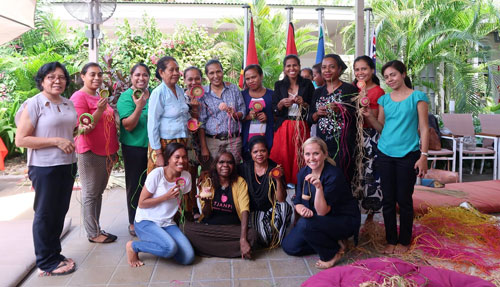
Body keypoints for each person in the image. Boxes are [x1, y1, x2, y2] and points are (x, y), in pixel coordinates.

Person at [15, 62, 80, 276]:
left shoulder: (68, 103)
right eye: (51, 77)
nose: (57, 81)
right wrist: (55, 141)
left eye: (61, 77)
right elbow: (21, 140)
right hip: (44, 167)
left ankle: (54, 254)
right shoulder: (33, 104)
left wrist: (79, 130)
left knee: (59, 211)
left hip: (68, 164)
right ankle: (45, 260)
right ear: (42, 81)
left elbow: (68, 130)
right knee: (45, 213)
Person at [363, 60, 429, 254]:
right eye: (386, 77)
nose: (390, 79)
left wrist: (423, 155)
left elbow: (424, 128)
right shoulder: (385, 99)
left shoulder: (418, 97)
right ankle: (391, 239)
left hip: (409, 154)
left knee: (404, 199)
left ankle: (404, 240)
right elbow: (381, 127)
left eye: (393, 75)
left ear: (403, 73)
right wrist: (369, 116)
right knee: (388, 199)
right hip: (385, 153)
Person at [282, 137, 360, 269]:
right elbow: (298, 200)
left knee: (305, 224)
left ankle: (332, 253)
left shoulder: (334, 175)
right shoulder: (303, 173)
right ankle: (334, 242)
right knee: (290, 247)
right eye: (307, 154)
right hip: (318, 221)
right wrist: (300, 208)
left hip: (342, 219)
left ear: (325, 154)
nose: (311, 158)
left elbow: (322, 211)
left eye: (316, 153)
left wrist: (319, 188)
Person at [71, 62, 119, 243]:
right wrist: (99, 110)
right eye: (92, 74)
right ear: (83, 76)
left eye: (100, 74)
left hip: (105, 152)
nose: (97, 78)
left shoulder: (99, 96)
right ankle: (93, 233)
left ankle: (97, 228)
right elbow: (84, 129)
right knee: (90, 192)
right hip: (90, 151)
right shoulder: (79, 97)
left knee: (98, 191)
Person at [126, 143, 195, 267]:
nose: (181, 161)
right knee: (170, 248)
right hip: (146, 222)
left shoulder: (186, 177)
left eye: (184, 157)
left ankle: (163, 244)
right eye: (177, 157)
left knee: (188, 258)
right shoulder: (157, 174)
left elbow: (182, 200)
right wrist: (165, 197)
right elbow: (141, 204)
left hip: (167, 223)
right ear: (168, 158)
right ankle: (133, 246)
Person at [183, 151, 257, 258]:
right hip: (210, 228)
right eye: (221, 162)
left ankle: (204, 250)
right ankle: (231, 251)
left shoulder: (240, 182)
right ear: (215, 165)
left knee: (252, 235)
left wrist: (242, 238)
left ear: (233, 165)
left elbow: (244, 210)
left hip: (231, 230)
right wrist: (207, 202)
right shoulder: (208, 181)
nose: (225, 165)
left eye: (229, 162)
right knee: (186, 228)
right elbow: (206, 215)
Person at [308, 54, 358, 186]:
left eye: (332, 67)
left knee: (342, 179)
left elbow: (357, 115)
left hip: (344, 145)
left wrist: (341, 110)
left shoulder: (349, 89)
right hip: (322, 145)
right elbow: (310, 118)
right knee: (323, 179)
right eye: (324, 67)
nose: (327, 70)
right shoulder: (318, 92)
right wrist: (317, 114)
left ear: (340, 69)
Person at [117, 63, 152, 236]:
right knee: (135, 184)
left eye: (145, 75)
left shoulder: (154, 94)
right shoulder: (125, 97)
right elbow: (128, 125)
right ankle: (133, 221)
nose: (141, 78)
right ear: (131, 76)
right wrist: (139, 106)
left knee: (153, 184)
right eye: (137, 75)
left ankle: (151, 218)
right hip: (134, 148)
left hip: (154, 148)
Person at [238, 136, 292, 247]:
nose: (259, 154)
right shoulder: (244, 168)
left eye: (263, 150)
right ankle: (271, 233)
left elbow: (281, 199)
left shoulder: (275, 168)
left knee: (285, 207)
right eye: (255, 152)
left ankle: (277, 238)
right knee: (264, 238)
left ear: (268, 151)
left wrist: (278, 180)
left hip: (270, 210)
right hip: (252, 211)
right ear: (251, 153)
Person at [270, 54, 315, 185]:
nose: (292, 68)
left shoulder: (307, 84)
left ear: (299, 67)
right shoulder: (279, 85)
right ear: (284, 69)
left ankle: (301, 184)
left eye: (295, 65)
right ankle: (282, 184)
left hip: (301, 125)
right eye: (288, 66)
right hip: (284, 125)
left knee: (300, 156)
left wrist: (304, 103)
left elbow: (313, 106)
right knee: (283, 156)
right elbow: (274, 108)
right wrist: (281, 104)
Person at [147, 56, 196, 173]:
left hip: (181, 143)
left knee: (181, 180)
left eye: (177, 69)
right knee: (163, 181)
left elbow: (183, 115)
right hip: (164, 145)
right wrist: (159, 153)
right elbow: (152, 123)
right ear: (161, 72)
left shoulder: (179, 90)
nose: (176, 73)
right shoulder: (158, 93)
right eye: (171, 70)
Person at [353, 55, 385, 216]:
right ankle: (354, 214)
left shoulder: (379, 92)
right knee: (355, 175)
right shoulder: (352, 89)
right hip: (353, 136)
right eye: (357, 69)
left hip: (370, 137)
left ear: (372, 70)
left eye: (364, 68)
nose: (360, 72)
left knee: (370, 175)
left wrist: (367, 112)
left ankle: (371, 217)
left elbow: (380, 123)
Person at [199, 59, 246, 166]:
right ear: (207, 75)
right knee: (214, 171)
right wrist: (204, 147)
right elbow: (201, 122)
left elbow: (242, 111)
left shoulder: (233, 89)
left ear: (222, 71)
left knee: (234, 170)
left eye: (218, 71)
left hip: (233, 140)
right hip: (213, 142)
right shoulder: (203, 94)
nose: (216, 76)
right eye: (211, 73)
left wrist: (234, 114)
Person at [241, 64, 274, 160]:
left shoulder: (272, 95)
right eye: (247, 79)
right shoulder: (242, 95)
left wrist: (268, 117)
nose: (251, 81)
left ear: (261, 76)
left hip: (267, 140)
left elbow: (278, 117)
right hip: (247, 142)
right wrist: (247, 117)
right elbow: (237, 118)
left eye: (254, 77)